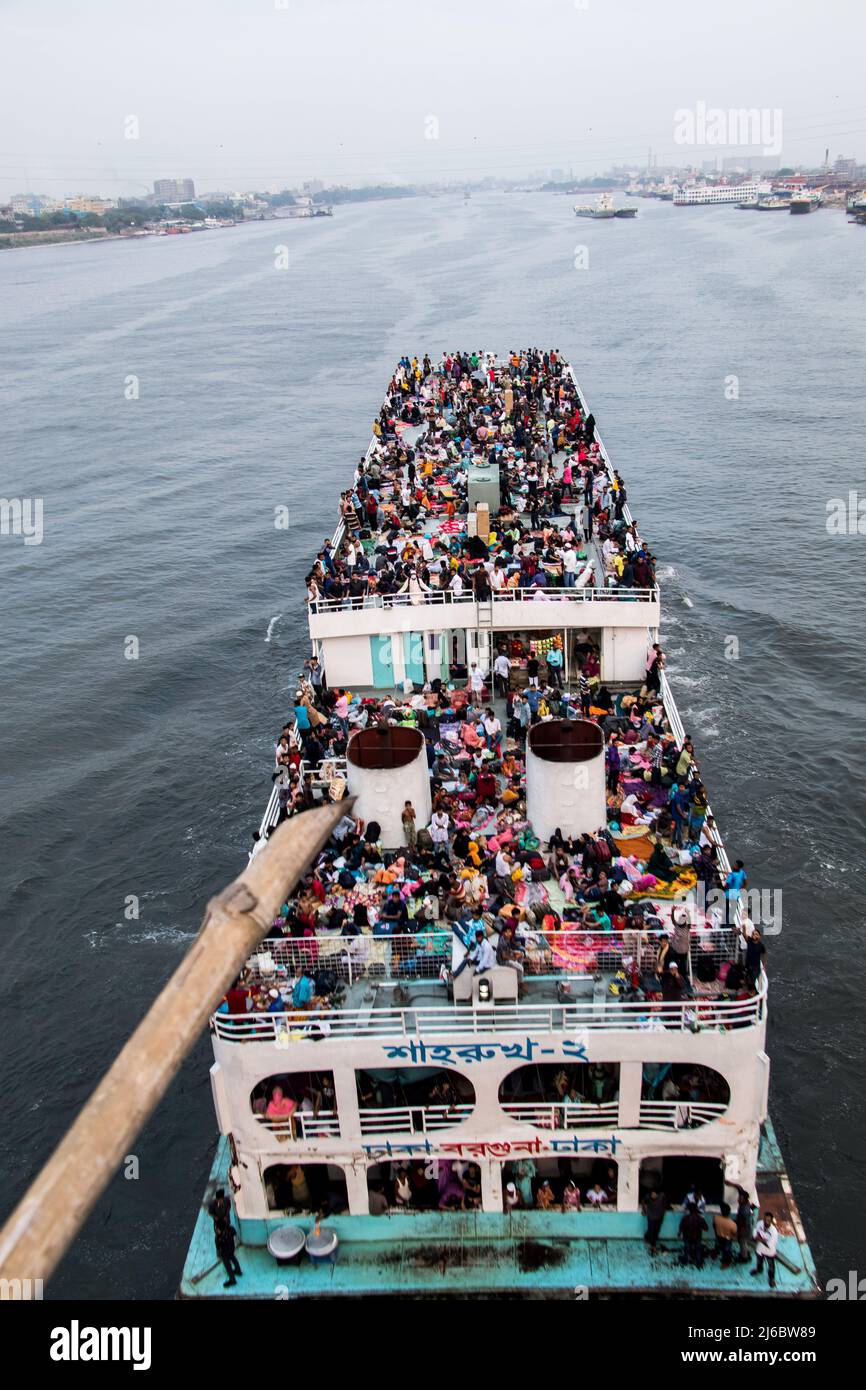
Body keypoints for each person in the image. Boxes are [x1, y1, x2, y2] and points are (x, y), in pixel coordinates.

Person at [751, 1211, 779, 1289]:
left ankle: (771, 1278)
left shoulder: (774, 1232)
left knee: (771, 1266)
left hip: (769, 1252)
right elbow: (755, 1231)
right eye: (765, 1219)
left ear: (771, 1221)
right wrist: (757, 1237)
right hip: (760, 1249)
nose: (766, 1221)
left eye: (768, 1220)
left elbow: (769, 1245)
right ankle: (759, 1270)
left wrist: (759, 1239)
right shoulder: (760, 1223)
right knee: (759, 1261)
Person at [214, 1217, 242, 1288]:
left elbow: (218, 1247)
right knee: (233, 1258)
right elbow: (234, 1233)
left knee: (228, 1266)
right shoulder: (230, 1229)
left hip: (225, 1252)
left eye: (217, 1228)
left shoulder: (219, 1237)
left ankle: (232, 1280)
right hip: (231, 1248)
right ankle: (238, 1270)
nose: (216, 1229)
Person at [678, 1202, 707, 1268]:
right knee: (698, 1250)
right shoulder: (700, 1218)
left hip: (687, 1237)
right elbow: (706, 1229)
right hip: (697, 1237)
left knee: (687, 1248)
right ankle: (698, 1263)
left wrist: (679, 1233)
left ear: (688, 1209)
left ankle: (686, 1260)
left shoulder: (685, 1218)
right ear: (696, 1209)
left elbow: (681, 1227)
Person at [643, 1188, 668, 1255]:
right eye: (652, 1194)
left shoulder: (662, 1195)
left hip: (659, 1216)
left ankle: (650, 1239)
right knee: (651, 1229)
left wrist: (664, 1211)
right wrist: (644, 1210)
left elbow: (665, 1204)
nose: (653, 1196)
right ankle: (652, 1244)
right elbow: (644, 1203)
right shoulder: (647, 1196)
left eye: (654, 1195)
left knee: (656, 1229)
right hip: (651, 1216)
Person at [713, 1201, 737, 1270]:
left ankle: (715, 1254)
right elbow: (734, 1233)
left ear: (721, 1211)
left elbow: (714, 1225)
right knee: (726, 1251)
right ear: (729, 1212)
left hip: (718, 1236)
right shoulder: (732, 1224)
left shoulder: (716, 1218)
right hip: (727, 1239)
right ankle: (725, 1263)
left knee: (717, 1245)